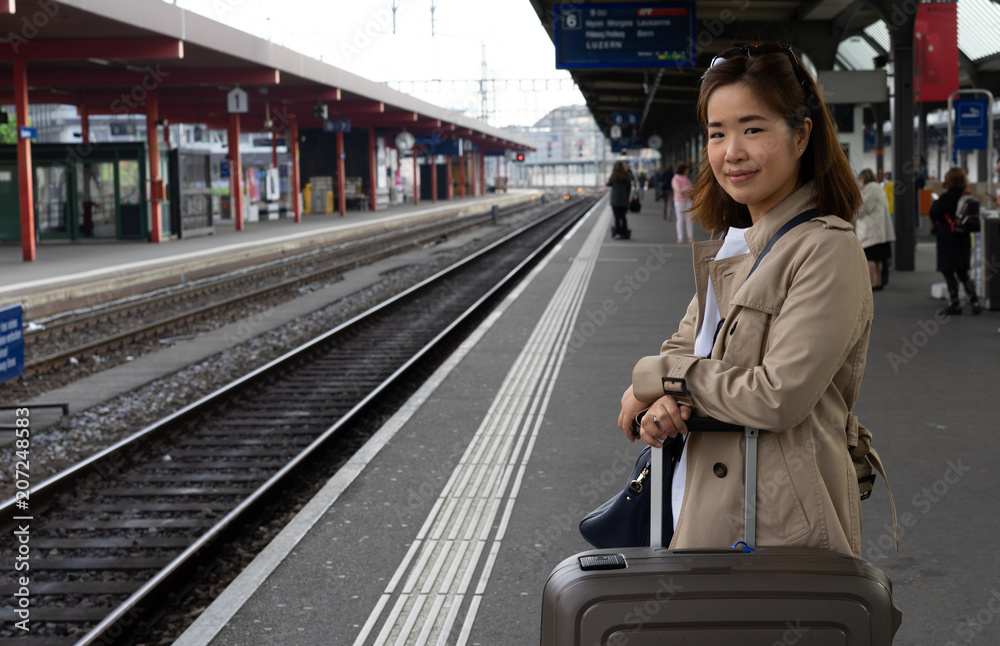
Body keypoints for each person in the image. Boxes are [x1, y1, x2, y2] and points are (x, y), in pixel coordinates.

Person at [617, 43, 871, 557]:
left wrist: (654, 381)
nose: (731, 150)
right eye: (717, 133)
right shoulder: (734, 244)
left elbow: (775, 395)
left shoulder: (826, 248)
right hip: (703, 504)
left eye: (753, 129)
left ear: (801, 135)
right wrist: (661, 401)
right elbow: (683, 347)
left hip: (778, 527)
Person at [928, 167, 982, 315]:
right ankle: (974, 301)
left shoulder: (946, 198)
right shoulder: (966, 197)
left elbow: (933, 214)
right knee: (963, 272)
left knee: (948, 270)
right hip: (963, 238)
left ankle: (955, 303)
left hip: (948, 239)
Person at [854, 168, 894, 290]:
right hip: (879, 231)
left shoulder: (870, 189)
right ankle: (878, 281)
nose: (860, 183)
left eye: (860, 180)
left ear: (864, 179)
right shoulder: (878, 188)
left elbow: (862, 209)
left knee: (870, 258)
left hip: (871, 232)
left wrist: (853, 209)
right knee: (878, 259)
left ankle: (872, 283)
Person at [605, 160, 633, 239]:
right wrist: (626, 199)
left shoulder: (614, 176)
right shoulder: (626, 176)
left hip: (615, 200)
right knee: (623, 216)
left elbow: (609, 183)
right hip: (623, 199)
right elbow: (629, 188)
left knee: (616, 217)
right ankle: (624, 233)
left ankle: (617, 233)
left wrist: (606, 184)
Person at [671, 163, 694, 243]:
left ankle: (690, 237)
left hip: (687, 200)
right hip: (679, 201)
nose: (687, 171)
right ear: (683, 170)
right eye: (686, 170)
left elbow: (692, 188)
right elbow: (679, 190)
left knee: (689, 219)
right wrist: (687, 188)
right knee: (680, 219)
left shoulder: (686, 178)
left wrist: (687, 189)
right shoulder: (675, 179)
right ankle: (680, 237)